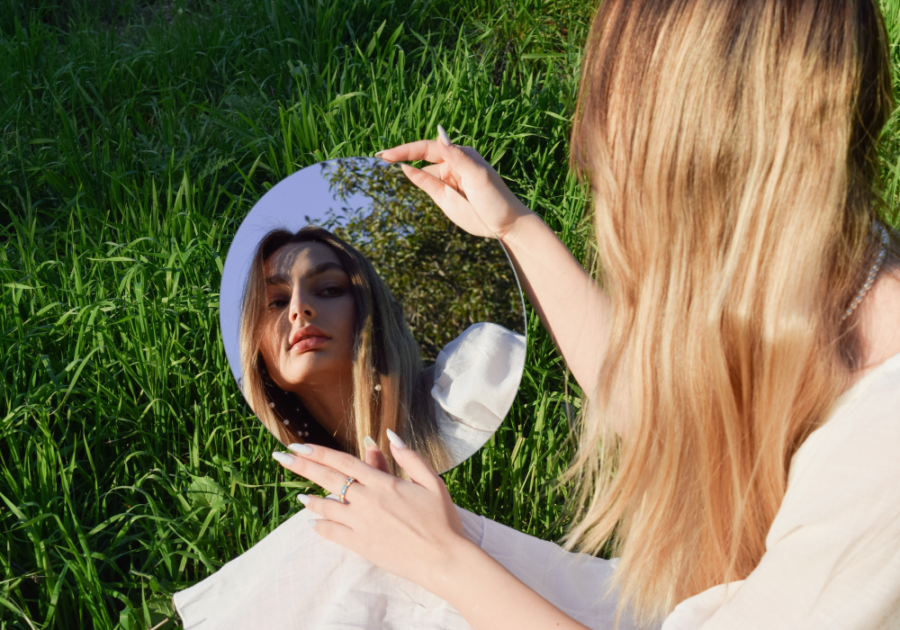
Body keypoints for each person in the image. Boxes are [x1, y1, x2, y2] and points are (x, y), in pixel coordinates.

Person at [263, 0, 900, 628]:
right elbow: (661, 406)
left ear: (705, 170)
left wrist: (442, 559)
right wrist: (513, 227)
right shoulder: (833, 269)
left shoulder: (883, 446)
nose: (590, 152)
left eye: (618, 162)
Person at [238, 225, 525, 475]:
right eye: (276, 302)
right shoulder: (273, 479)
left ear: (370, 310)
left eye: (329, 289)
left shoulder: (476, 378)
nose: (299, 308)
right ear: (255, 346)